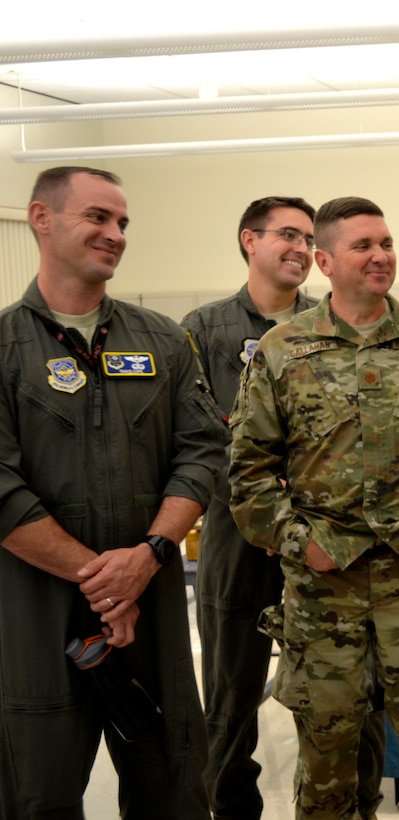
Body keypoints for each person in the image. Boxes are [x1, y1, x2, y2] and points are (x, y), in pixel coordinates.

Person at [228, 195, 399, 819]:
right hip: (324, 591)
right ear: (323, 260)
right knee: (325, 760)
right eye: (363, 246)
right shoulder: (282, 351)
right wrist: (300, 543)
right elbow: (248, 474)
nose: (381, 256)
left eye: (387, 244)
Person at [0, 166, 228, 817]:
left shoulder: (163, 342)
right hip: (32, 612)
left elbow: (201, 452)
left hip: (149, 611)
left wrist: (149, 555)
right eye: (98, 217)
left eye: (122, 222)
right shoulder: (4, 347)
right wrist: (104, 578)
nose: (115, 234)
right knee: (34, 790)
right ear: (41, 218)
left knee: (176, 781)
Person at [182, 196, 386, 820]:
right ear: (250, 240)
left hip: (329, 548)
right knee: (230, 695)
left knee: (350, 693)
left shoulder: (335, 325)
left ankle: (354, 806)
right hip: (241, 546)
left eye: (307, 238)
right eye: (287, 235)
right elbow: (203, 439)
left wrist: (306, 528)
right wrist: (270, 522)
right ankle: (231, 808)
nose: (299, 248)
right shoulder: (202, 330)